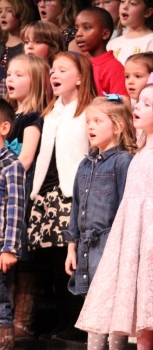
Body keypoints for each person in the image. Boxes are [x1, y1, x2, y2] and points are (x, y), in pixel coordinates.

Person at [75, 69, 153, 350]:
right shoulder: (139, 148)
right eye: (137, 102)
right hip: (131, 232)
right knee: (141, 312)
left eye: (145, 104)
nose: (137, 107)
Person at [27, 52, 97, 342]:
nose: (54, 75)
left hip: (72, 194)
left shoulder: (90, 109)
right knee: (53, 261)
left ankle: (78, 324)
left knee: (73, 260)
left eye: (62, 70)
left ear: (80, 77)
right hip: (47, 194)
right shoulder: (52, 110)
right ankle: (61, 320)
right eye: (52, 70)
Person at [63, 95, 136, 349]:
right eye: (88, 121)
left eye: (97, 121)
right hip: (86, 248)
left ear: (117, 126)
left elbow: (126, 208)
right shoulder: (85, 164)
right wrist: (71, 248)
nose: (90, 126)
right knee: (93, 308)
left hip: (110, 247)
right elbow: (76, 208)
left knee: (113, 308)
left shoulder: (123, 161)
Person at [5, 54, 51, 340]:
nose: (10, 79)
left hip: (21, 193)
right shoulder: (9, 117)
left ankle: (22, 321)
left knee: (23, 261)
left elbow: (26, 158)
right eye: (9, 74)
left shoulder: (32, 119)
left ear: (34, 81)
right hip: (4, 193)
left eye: (19, 75)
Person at [0, 98, 25, 350]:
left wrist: (9, 248)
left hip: (0, 247)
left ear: (4, 128)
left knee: (0, 304)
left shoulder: (11, 165)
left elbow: (15, 210)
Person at [75, 7, 129, 97]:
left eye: (86, 28)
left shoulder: (115, 69)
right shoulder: (78, 63)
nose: (78, 33)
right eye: (77, 28)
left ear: (105, 34)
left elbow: (121, 106)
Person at [106, 0, 153, 66]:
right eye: (122, 2)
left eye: (132, 3)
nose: (124, 7)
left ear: (147, 12)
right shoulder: (112, 43)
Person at [0, 0, 37, 70]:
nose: (2, 15)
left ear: (22, 15)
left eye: (9, 11)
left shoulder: (27, 49)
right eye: (0, 11)